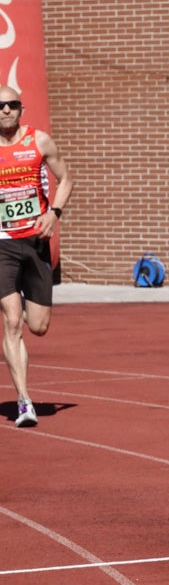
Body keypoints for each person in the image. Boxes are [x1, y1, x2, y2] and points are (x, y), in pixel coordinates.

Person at [0, 86, 73, 426]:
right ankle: (24, 402)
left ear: (21, 109)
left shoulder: (39, 141)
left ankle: (29, 298)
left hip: (36, 242)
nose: (5, 110)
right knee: (12, 321)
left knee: (38, 326)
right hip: (2, 245)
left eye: (11, 105)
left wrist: (54, 213)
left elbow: (66, 178)